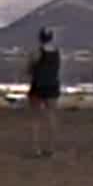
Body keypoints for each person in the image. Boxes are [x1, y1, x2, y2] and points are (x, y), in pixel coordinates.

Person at [26, 27, 61, 158]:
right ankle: (51, 148)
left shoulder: (36, 52)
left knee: (35, 118)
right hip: (52, 86)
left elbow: (29, 68)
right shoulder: (57, 52)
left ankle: (36, 149)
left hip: (38, 86)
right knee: (51, 116)